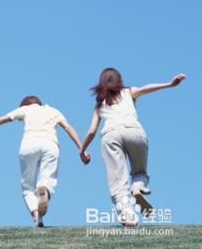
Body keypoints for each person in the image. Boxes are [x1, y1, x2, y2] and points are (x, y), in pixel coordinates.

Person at [79, 68, 186, 227]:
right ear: (119, 80)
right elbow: (146, 88)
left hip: (110, 136)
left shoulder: (99, 105)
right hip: (134, 132)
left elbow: (92, 131)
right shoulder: (129, 92)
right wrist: (169, 84)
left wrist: (82, 150)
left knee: (118, 181)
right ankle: (138, 187)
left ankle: (128, 216)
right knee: (140, 172)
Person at [0, 96, 88, 227]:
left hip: (29, 145)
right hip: (50, 145)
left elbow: (2, 119)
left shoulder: (25, 110)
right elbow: (68, 128)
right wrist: (82, 150)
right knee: (47, 179)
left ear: (24, 105)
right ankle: (44, 191)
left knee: (28, 186)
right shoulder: (53, 111)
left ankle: (37, 218)